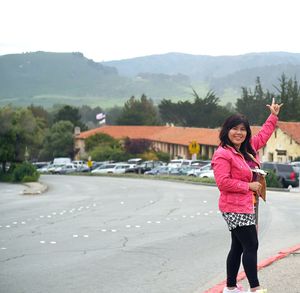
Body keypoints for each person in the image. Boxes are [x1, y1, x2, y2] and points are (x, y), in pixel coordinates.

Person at [211, 98, 283, 293]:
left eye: (243, 129)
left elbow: (263, 137)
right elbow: (222, 183)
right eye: (235, 129)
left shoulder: (245, 150)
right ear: (226, 131)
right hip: (233, 206)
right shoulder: (222, 154)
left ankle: (231, 287)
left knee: (238, 246)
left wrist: (273, 117)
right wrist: (249, 186)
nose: (239, 133)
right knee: (251, 244)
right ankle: (255, 288)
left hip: (245, 205)